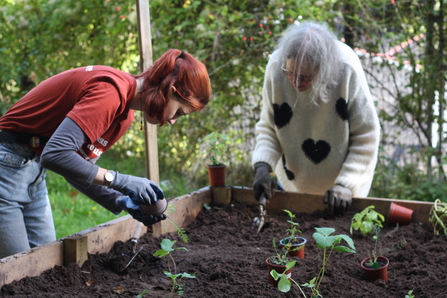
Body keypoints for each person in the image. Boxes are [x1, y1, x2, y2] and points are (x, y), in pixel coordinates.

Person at [0, 49, 212, 258]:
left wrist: (120, 200)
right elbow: (55, 155)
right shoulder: (111, 92)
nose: (173, 121)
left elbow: (76, 168)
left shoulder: (124, 114)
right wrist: (120, 180)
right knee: (17, 271)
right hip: (6, 165)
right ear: (170, 89)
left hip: (34, 173)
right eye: (179, 112)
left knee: (42, 264)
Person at [252, 21, 380, 216]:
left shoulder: (346, 69)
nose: (295, 82)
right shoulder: (277, 68)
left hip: (340, 195)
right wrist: (263, 166)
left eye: (304, 77)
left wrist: (347, 183)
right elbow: (270, 126)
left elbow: (366, 134)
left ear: (324, 70)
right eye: (291, 73)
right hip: (290, 184)